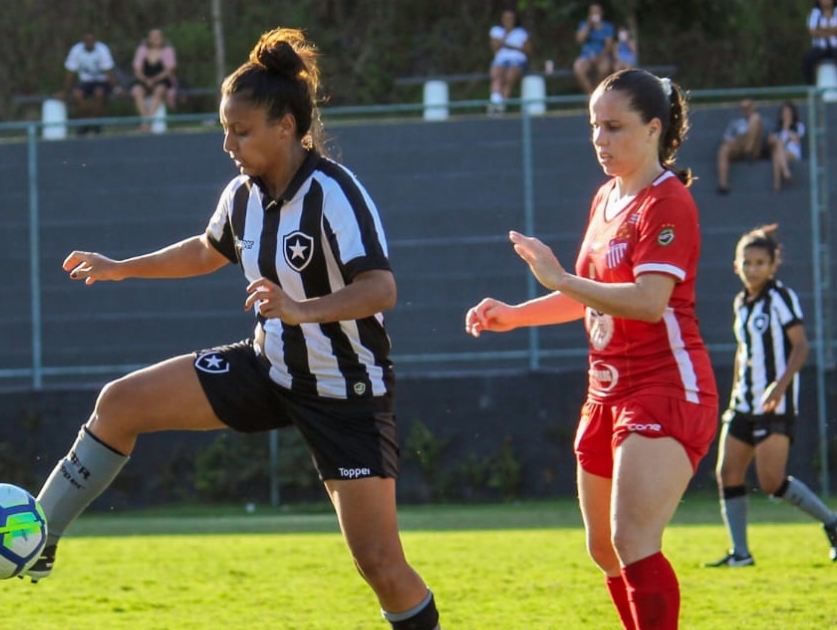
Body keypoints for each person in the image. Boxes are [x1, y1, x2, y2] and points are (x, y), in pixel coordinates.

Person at [22, 27, 442, 630]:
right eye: (225, 129)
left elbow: (382, 289)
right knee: (119, 403)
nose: (228, 143)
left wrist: (300, 310)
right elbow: (205, 250)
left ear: (286, 127)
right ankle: (38, 537)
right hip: (268, 368)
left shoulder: (335, 194)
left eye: (241, 131)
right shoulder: (242, 195)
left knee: (379, 563)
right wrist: (121, 267)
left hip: (345, 391)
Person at [465, 68, 718, 629]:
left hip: (666, 386)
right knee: (604, 548)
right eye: (594, 126)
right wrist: (515, 315)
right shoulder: (606, 198)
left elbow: (649, 301)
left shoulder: (668, 201)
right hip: (605, 394)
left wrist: (560, 278)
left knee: (633, 540)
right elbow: (588, 296)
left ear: (653, 129)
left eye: (614, 127)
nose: (600, 139)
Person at [706, 225, 837, 568]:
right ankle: (740, 553)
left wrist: (779, 386)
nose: (752, 269)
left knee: (771, 481)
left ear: (773, 264)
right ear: (736, 265)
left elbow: (801, 346)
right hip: (743, 404)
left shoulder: (780, 298)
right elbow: (743, 351)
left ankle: (832, 522)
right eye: (746, 263)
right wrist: (734, 393)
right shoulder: (741, 303)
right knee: (728, 473)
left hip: (774, 406)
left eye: (760, 263)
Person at [59, 32, 121, 136]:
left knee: (99, 93)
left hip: (101, 81)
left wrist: (116, 89)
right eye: (87, 40)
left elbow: (109, 72)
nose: (90, 43)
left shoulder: (102, 49)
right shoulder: (76, 50)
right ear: (83, 41)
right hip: (85, 82)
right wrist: (65, 91)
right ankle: (88, 121)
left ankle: (94, 123)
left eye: (92, 40)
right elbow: (70, 73)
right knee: (77, 94)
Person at [130, 28, 178, 133]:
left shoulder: (167, 51)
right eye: (153, 37)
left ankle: (147, 123)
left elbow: (169, 70)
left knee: (159, 91)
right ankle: (145, 120)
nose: (155, 39)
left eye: (158, 37)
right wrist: (146, 80)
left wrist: (154, 80)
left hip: (162, 79)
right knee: (137, 91)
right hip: (144, 79)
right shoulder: (142, 50)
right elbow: (137, 70)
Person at [488, 6, 532, 115]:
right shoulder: (496, 31)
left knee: (509, 79)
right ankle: (495, 103)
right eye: (506, 18)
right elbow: (494, 47)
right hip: (501, 59)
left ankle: (501, 107)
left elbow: (528, 49)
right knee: (496, 76)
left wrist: (508, 45)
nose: (508, 20)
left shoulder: (521, 32)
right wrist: (506, 35)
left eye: (511, 18)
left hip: (517, 60)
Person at [716, 98, 764, 195]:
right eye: (743, 108)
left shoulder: (759, 119)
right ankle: (723, 184)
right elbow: (726, 138)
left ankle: (748, 150)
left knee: (755, 119)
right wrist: (736, 139)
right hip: (738, 145)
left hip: (755, 147)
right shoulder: (735, 123)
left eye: (748, 107)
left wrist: (747, 135)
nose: (746, 110)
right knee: (724, 149)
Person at [573, 3, 615, 95]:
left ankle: (597, 91)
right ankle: (590, 93)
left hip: (602, 56)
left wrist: (598, 58)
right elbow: (579, 40)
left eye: (597, 12)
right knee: (578, 67)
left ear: (601, 13)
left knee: (604, 69)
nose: (595, 14)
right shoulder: (584, 25)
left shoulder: (607, 27)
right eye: (593, 12)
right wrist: (588, 25)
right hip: (586, 56)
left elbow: (609, 46)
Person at [766, 101, 805, 193]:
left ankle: (777, 183)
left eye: (788, 113)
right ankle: (785, 173)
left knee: (777, 152)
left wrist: (786, 128)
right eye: (784, 113)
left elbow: (796, 139)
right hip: (780, 153)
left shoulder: (798, 126)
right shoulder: (777, 128)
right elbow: (770, 140)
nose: (786, 116)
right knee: (777, 151)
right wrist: (776, 139)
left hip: (793, 151)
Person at [802, 0, 837, 86]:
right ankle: (810, 86)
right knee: (807, 59)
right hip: (819, 48)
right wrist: (832, 30)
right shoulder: (815, 13)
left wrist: (821, 29)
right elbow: (812, 31)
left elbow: (816, 30)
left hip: (835, 47)